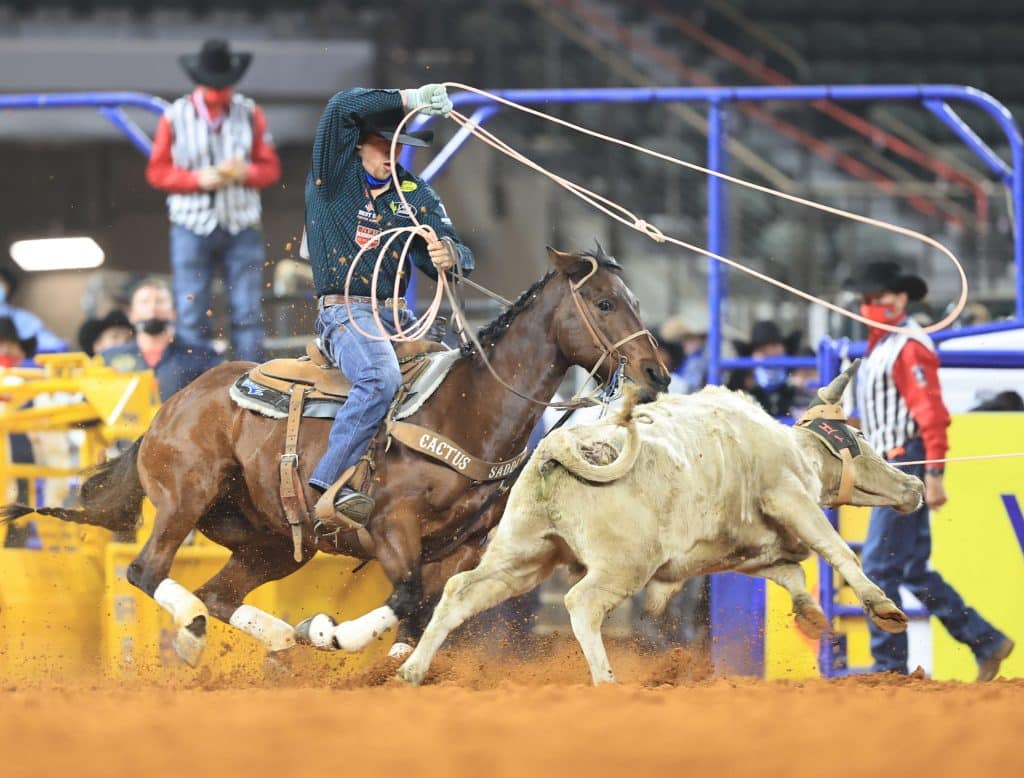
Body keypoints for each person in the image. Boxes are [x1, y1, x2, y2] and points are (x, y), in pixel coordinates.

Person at [304, 84, 474, 524]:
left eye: (399, 144)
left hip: (398, 315)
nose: (393, 153)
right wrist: (412, 97)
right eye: (385, 143)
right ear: (359, 143)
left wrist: (450, 255)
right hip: (345, 311)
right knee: (379, 377)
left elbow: (452, 252)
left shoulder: (415, 193)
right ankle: (328, 484)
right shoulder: (333, 177)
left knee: (457, 383)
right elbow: (340, 105)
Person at [844, 259, 1014, 680]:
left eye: (878, 297)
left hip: (904, 462)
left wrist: (934, 473)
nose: (870, 305)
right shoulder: (885, 345)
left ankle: (890, 667)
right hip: (894, 460)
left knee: (878, 569)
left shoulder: (907, 346)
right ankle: (985, 639)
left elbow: (931, 414)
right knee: (911, 569)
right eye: (867, 298)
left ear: (900, 298)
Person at [146, 38, 281, 363]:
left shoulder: (250, 114)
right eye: (213, 86)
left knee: (247, 312)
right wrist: (195, 180)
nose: (218, 93)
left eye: (223, 86)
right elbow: (157, 172)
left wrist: (245, 172)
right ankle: (195, 381)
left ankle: (251, 378)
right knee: (191, 312)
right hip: (191, 224)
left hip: (241, 222)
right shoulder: (174, 117)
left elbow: (270, 169)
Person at [101, 278, 219, 402]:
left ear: (173, 312)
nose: (152, 308)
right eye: (144, 302)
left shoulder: (201, 356)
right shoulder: (109, 358)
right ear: (131, 314)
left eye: (160, 301)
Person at [727, 320, 802, 417]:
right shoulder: (740, 383)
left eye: (774, 346)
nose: (770, 354)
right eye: (762, 350)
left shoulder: (797, 374)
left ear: (784, 349)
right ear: (752, 354)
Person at [0, 265, 66, 354]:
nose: (4, 349)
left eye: (1, 281)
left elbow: (51, 344)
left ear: (9, 287)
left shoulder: (23, 319)